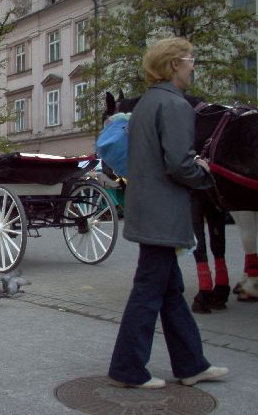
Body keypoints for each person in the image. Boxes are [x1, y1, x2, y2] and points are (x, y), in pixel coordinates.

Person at [108, 38, 229, 389]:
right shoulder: (175, 105)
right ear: (175, 64)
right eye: (190, 59)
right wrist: (202, 173)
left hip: (148, 209)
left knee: (170, 291)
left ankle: (192, 365)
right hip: (164, 212)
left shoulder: (147, 102)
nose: (193, 66)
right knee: (149, 291)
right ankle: (128, 368)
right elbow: (178, 163)